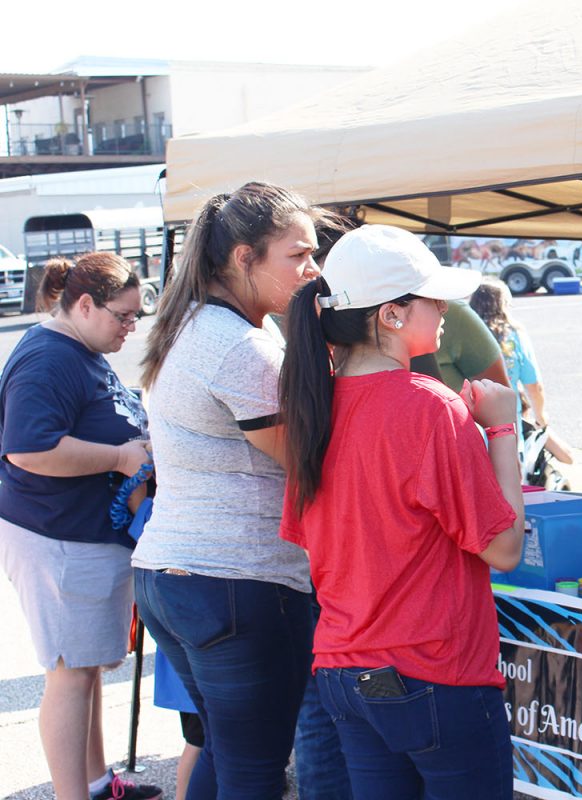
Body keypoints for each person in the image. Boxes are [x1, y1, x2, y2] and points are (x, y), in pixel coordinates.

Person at [276, 225, 524, 798]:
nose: (444, 308)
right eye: (432, 297)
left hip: (345, 670)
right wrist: (503, 429)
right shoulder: (429, 407)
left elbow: (320, 539)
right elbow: (505, 548)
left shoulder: (315, 406)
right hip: (434, 670)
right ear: (390, 314)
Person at [132, 182, 330, 799]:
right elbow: (312, 464)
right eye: (298, 255)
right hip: (235, 582)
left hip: (176, 576)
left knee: (227, 747)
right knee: (254, 769)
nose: (313, 270)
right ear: (244, 257)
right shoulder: (241, 345)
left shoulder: (189, 325)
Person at [0, 253, 161, 800]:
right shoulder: (50, 358)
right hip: (59, 537)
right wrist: (120, 457)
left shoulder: (76, 347)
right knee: (71, 675)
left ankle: (96, 784)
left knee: (85, 669)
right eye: (124, 316)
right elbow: (28, 449)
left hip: (76, 533)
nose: (131, 327)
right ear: (85, 304)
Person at [470, 277, 573, 464]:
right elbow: (533, 385)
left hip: (468, 425)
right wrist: (541, 417)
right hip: (506, 425)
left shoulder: (465, 334)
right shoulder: (513, 334)